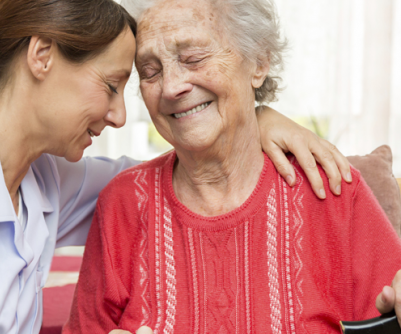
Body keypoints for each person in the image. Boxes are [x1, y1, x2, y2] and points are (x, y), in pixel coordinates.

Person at [0, 0, 350, 333]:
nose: (120, 114)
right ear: (42, 56)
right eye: (111, 84)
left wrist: (252, 116)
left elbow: (172, 176)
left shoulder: (44, 180)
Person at [63, 0, 401, 333]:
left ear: (258, 62)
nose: (170, 87)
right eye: (150, 71)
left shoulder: (332, 189)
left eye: (193, 58)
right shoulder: (123, 203)